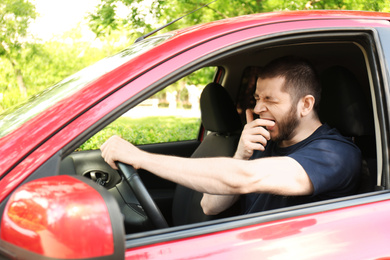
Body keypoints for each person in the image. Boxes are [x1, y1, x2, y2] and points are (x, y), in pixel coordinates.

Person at [100, 56, 361, 216]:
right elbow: (210, 207)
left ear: (305, 105)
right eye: (258, 98)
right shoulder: (265, 140)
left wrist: (139, 157)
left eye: (270, 100)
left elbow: (244, 179)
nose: (258, 108)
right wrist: (241, 153)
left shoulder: (336, 155)